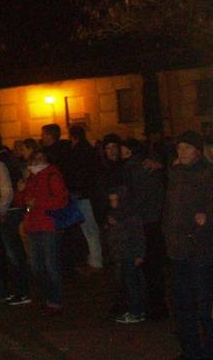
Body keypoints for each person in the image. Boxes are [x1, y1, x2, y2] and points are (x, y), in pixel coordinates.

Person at [162, 131, 213, 360]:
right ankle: (190, 350)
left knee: (204, 303)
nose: (181, 152)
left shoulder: (208, 173)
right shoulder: (176, 173)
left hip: (200, 248)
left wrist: (206, 217)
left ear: (197, 150)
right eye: (179, 147)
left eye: (186, 147)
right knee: (182, 303)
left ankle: (209, 354)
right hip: (178, 248)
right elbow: (170, 207)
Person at [15, 149, 69, 314]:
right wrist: (21, 190)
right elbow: (21, 203)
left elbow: (61, 200)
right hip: (33, 226)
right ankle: (49, 296)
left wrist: (37, 202)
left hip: (48, 226)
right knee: (36, 265)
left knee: (50, 264)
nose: (34, 163)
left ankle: (55, 299)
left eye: (37, 159)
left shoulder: (52, 175)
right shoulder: (32, 177)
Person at [122, 138, 169, 319]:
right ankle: (153, 306)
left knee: (148, 267)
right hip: (150, 220)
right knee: (150, 267)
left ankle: (153, 307)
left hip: (145, 222)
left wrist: (124, 213)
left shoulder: (138, 169)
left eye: (126, 152)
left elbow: (139, 198)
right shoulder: (143, 168)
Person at [0, 132, 31, 305]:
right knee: (18, 252)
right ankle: (23, 289)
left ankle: (21, 291)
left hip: (9, 212)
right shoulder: (10, 158)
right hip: (17, 209)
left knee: (13, 253)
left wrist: (2, 211)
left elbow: (6, 189)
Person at [105, 188, 146, 323]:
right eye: (111, 200)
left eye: (116, 200)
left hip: (130, 254)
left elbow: (139, 236)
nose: (113, 203)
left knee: (132, 284)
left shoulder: (131, 216)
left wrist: (139, 254)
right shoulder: (114, 215)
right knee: (126, 283)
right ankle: (134, 310)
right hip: (121, 254)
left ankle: (136, 311)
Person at [65, 125, 103, 271]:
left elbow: (79, 174)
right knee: (89, 228)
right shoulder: (88, 150)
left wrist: (76, 189)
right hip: (88, 193)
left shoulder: (78, 152)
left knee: (88, 228)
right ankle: (94, 258)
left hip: (83, 194)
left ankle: (95, 259)